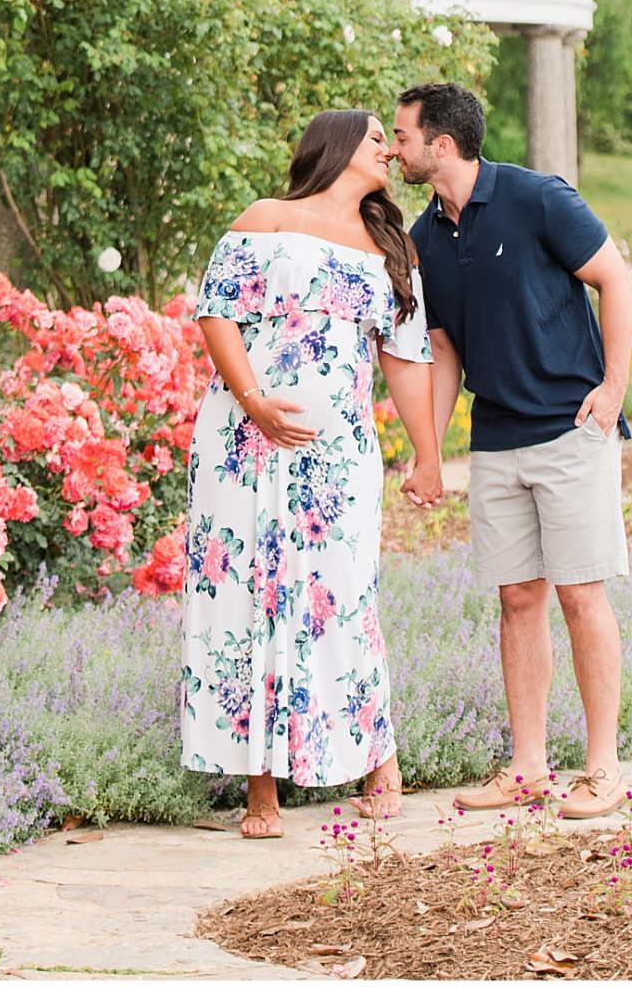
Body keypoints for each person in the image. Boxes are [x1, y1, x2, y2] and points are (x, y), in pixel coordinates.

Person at [181, 109, 444, 839]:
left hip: (338, 458)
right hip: (242, 441)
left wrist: (427, 456)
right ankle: (259, 789)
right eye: (375, 139)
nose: (390, 149)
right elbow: (216, 314)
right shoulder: (267, 218)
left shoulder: (391, 247)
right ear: (334, 149)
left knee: (344, 596)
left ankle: (377, 756)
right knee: (247, 600)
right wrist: (255, 402)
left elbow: (407, 360)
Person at [392, 81, 632, 821]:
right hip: (496, 441)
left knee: (580, 594)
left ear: (441, 145)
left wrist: (615, 387)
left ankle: (602, 769)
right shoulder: (424, 239)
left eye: (402, 136)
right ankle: (528, 767)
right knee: (516, 599)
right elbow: (440, 352)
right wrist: (428, 453)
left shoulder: (538, 198)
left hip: (571, 429)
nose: (394, 148)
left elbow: (614, 278)